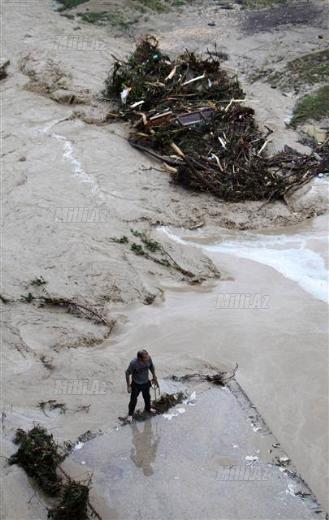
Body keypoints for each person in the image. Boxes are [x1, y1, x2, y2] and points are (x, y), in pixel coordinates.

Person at [125, 349, 158, 422]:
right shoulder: (133, 363)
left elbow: (151, 366)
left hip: (146, 382)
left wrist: (154, 376)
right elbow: (127, 373)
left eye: (147, 356)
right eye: (145, 358)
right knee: (133, 400)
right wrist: (128, 386)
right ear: (139, 358)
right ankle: (130, 414)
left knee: (147, 397)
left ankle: (148, 408)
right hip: (136, 384)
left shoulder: (148, 358)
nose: (147, 359)